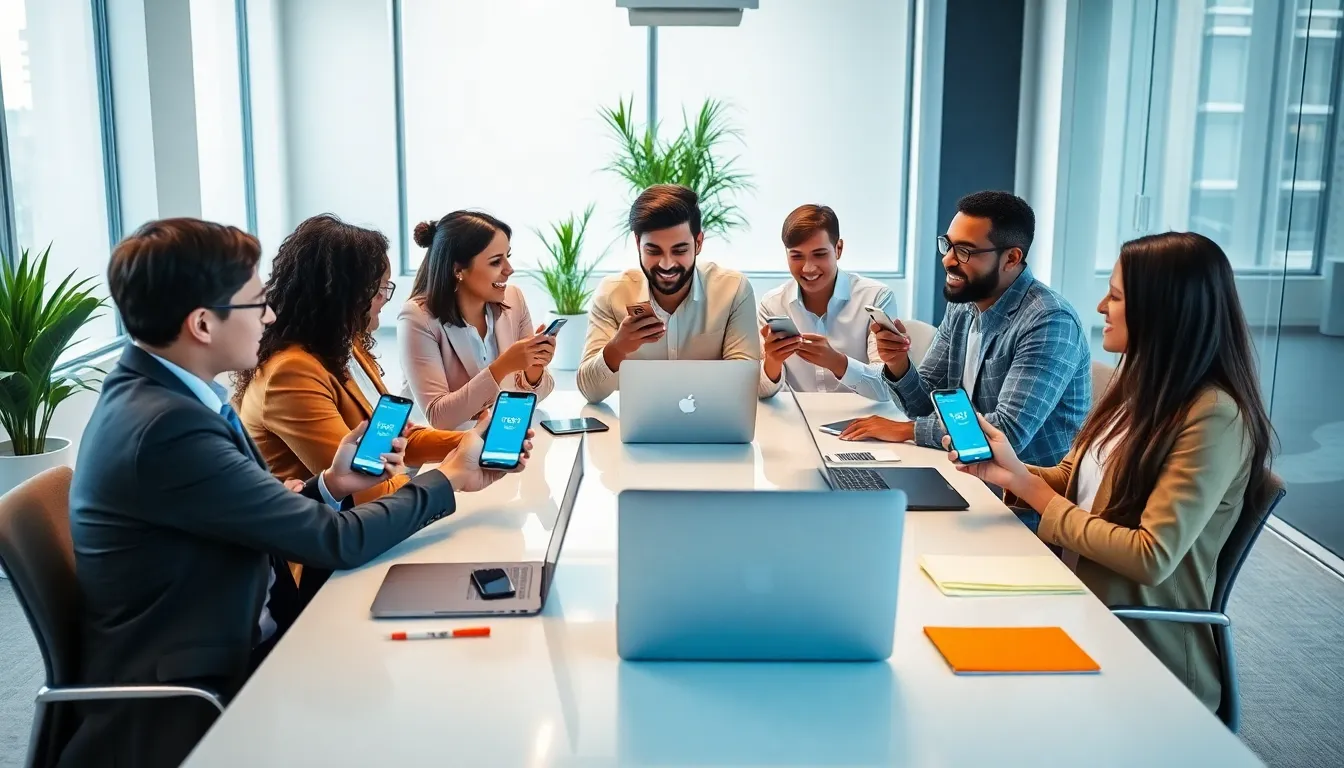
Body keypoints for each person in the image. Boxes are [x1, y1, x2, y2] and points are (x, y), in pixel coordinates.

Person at [65, 218, 530, 768]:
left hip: (247, 620)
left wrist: (328, 486)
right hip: (214, 676)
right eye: (256, 303)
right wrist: (448, 479)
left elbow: (253, 513)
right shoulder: (166, 428)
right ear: (202, 325)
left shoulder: (170, 396)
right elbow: (336, 542)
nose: (269, 314)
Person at [946, 232, 1275, 713]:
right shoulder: (1138, 385)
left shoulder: (1213, 416)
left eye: (1117, 296)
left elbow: (1150, 556)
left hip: (1134, 644)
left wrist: (1031, 490)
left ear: (1163, 310)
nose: (1101, 305)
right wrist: (1009, 472)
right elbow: (1080, 479)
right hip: (1074, 599)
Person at [842, 191, 1090, 472]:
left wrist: (908, 431)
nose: (948, 260)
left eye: (965, 251)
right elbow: (926, 406)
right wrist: (898, 364)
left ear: (1011, 258)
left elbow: (1007, 435)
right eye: (947, 245)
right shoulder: (964, 307)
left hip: (1022, 500)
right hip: (968, 472)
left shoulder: (1049, 321)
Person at [236, 214, 467, 512]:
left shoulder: (344, 345)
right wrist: (452, 478)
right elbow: (365, 488)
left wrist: (473, 443)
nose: (386, 298)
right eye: (381, 288)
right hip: (326, 540)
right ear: (347, 294)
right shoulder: (291, 373)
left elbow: (398, 437)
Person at [577, 184, 771, 403]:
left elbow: (743, 384)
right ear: (638, 243)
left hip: (711, 425)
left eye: (679, 251)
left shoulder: (734, 290)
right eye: (653, 250)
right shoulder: (612, 293)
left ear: (698, 243)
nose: (666, 265)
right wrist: (617, 348)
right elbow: (590, 392)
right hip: (636, 430)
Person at [399, 210, 555, 429]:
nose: (509, 270)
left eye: (507, 257)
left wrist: (534, 367)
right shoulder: (417, 318)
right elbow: (439, 417)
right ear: (458, 270)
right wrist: (503, 366)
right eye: (495, 262)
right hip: (445, 451)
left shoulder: (514, 299)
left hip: (504, 439)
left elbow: (535, 398)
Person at [757, 204, 896, 400]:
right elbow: (762, 392)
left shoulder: (877, 298)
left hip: (862, 420)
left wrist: (836, 362)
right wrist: (772, 361)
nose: (808, 268)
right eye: (796, 256)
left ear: (838, 249)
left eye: (820, 254)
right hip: (796, 419)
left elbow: (887, 390)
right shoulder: (771, 304)